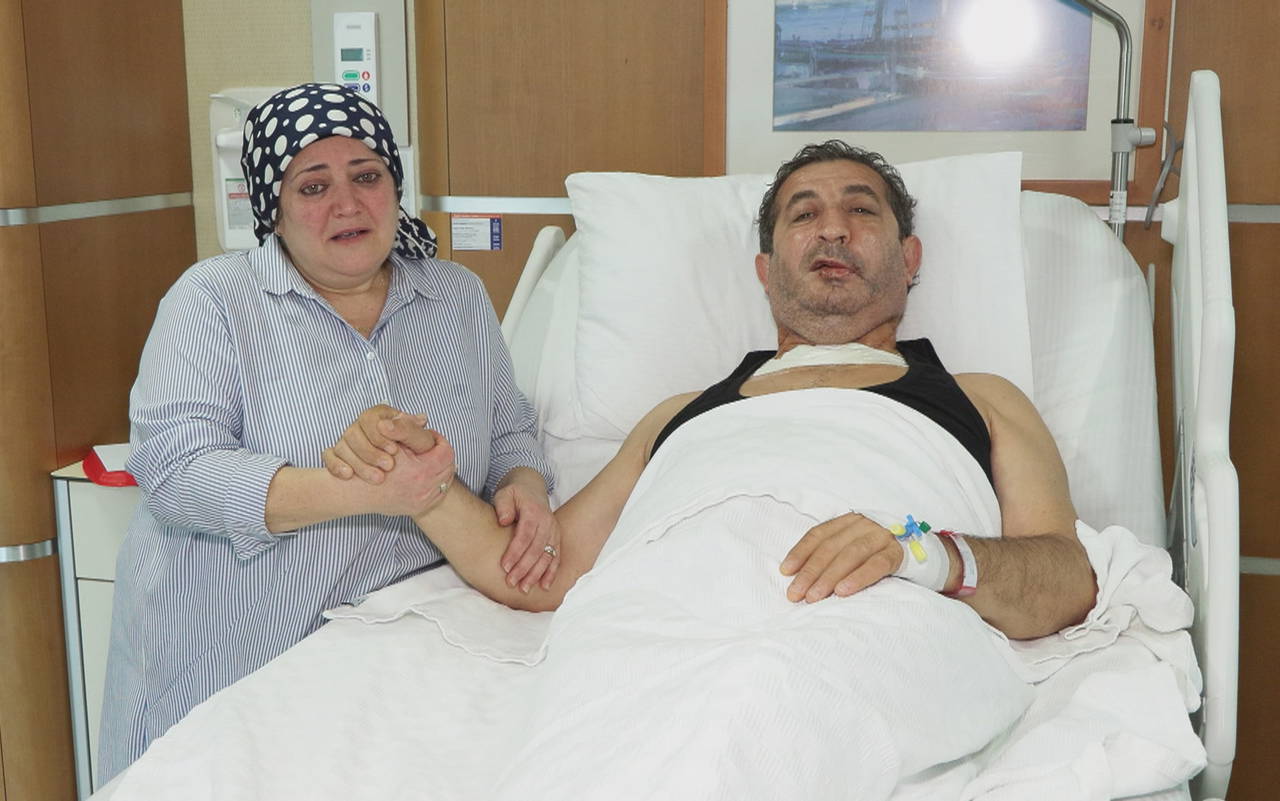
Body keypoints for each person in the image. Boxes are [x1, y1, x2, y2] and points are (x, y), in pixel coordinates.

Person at [330, 140, 1097, 641]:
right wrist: (426, 489)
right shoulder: (679, 415)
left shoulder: (984, 398)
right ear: (766, 270)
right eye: (805, 214)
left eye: (861, 211)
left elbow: (1065, 580)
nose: (833, 230)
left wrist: (919, 553)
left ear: (910, 257)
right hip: (664, 632)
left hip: (875, 630)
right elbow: (543, 573)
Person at [99, 83, 557, 780]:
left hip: (390, 667)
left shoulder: (454, 297)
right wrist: (373, 489)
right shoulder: (213, 301)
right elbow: (174, 472)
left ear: (395, 188)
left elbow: (509, 430)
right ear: (273, 210)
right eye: (313, 186)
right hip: (230, 661)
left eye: (366, 176)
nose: (347, 204)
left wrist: (524, 484)